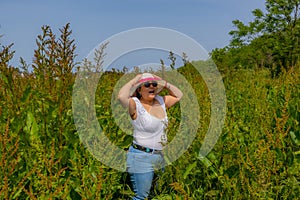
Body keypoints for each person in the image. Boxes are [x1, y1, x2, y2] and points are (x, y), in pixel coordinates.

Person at [118, 72, 183, 200]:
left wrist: (165, 83)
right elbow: (121, 97)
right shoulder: (135, 104)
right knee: (141, 197)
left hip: (160, 157)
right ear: (139, 89)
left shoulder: (160, 101)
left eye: (154, 84)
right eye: (147, 84)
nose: (151, 86)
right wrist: (136, 79)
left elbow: (179, 95)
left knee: (156, 195)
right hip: (141, 156)